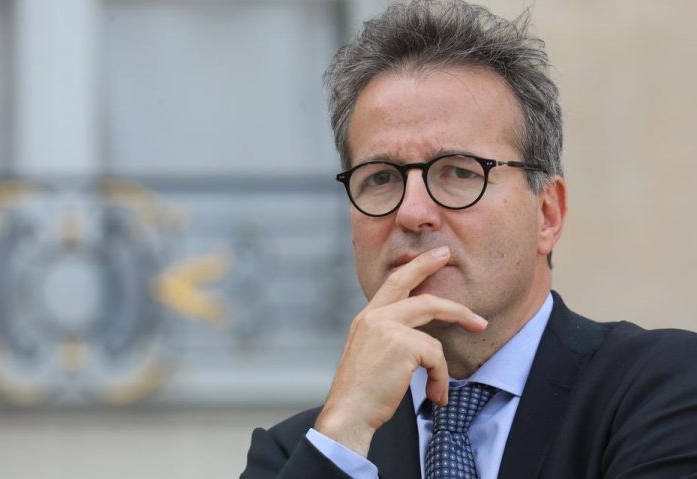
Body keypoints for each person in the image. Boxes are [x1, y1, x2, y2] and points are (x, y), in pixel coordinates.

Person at [241, 1, 697, 477]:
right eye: (380, 178)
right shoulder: (299, 453)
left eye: (459, 172)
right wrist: (344, 432)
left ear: (547, 214)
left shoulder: (663, 389)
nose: (412, 212)